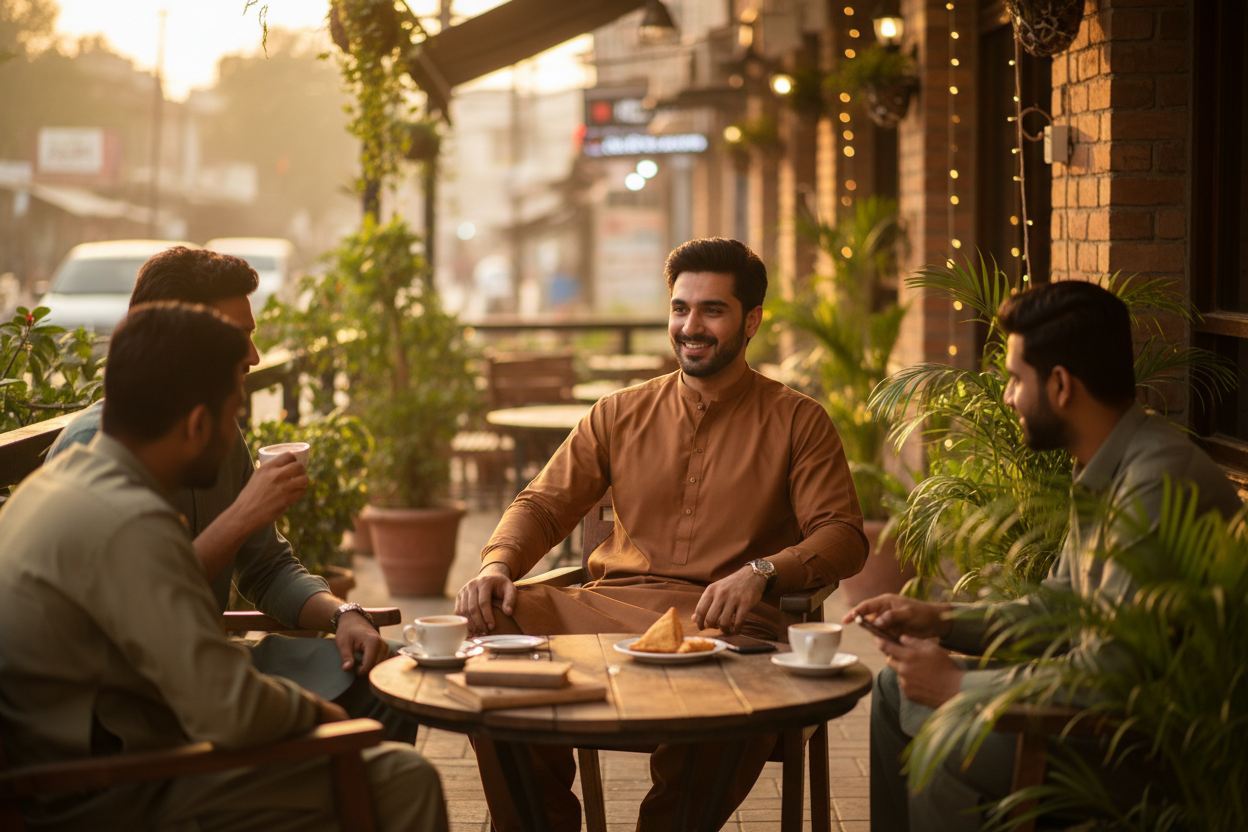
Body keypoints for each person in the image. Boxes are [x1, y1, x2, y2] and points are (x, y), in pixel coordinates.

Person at [455, 237, 868, 832]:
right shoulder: (618, 412)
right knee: (493, 629)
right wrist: (496, 565)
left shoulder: (797, 420)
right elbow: (543, 504)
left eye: (712, 310)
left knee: (744, 687)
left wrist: (763, 572)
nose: (690, 326)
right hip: (602, 609)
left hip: (723, 625)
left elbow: (843, 536)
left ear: (751, 320)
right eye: (680, 308)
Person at [0, 303, 447, 832]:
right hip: (101, 794)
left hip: (73, 764)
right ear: (195, 423)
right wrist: (316, 715)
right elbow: (226, 709)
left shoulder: (56, 483)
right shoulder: (129, 520)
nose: (238, 428)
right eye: (234, 411)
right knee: (402, 777)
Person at [845, 280, 1243, 832]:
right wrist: (941, 621)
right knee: (893, 690)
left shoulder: (1156, 484)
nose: (1007, 397)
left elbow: (1113, 675)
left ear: (1060, 386)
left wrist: (960, 687)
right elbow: (1057, 609)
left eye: (1014, 379)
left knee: (943, 742)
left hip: (1147, 754)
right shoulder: (1104, 465)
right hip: (1092, 722)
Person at [45, 247, 415, 742]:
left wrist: (344, 614)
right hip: (145, 699)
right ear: (181, 342)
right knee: (396, 772)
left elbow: (266, 568)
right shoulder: (97, 451)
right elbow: (144, 607)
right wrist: (241, 515)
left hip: (209, 665)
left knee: (391, 675)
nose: (254, 356)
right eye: (237, 336)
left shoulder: (214, 434)